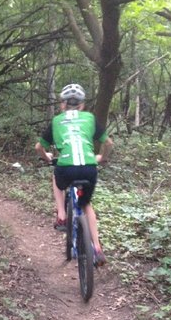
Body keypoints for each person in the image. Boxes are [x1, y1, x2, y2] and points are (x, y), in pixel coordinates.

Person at [35, 83, 113, 266]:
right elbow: (109, 143)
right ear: (82, 105)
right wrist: (101, 157)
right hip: (89, 168)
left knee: (56, 177)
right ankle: (97, 248)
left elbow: (39, 147)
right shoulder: (90, 118)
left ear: (62, 105)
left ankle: (61, 213)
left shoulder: (56, 121)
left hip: (66, 167)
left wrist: (46, 157)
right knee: (87, 205)